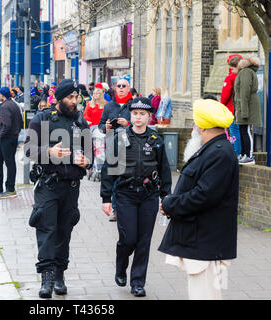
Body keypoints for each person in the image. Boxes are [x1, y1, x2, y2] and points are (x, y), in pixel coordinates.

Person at [158, 98, 238, 300]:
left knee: (204, 295)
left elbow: (204, 196)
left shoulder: (219, 153)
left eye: (195, 122)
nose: (194, 127)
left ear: (202, 127)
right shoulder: (213, 150)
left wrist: (170, 204)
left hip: (206, 240)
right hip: (200, 239)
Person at [24, 79, 93, 299]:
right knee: (47, 230)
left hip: (71, 187)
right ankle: (46, 277)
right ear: (59, 99)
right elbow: (28, 150)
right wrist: (49, 152)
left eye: (77, 98)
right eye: (70, 98)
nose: (75, 102)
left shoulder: (81, 122)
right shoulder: (42, 118)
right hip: (48, 185)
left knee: (64, 230)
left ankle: (60, 274)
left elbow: (90, 153)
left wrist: (86, 161)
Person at [101, 97, 172, 297]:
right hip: (125, 194)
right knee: (128, 238)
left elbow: (164, 170)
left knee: (144, 240)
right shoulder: (120, 137)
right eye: (135, 113)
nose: (138, 117)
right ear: (130, 115)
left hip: (149, 195)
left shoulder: (156, 140)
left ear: (149, 117)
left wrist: (166, 198)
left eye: (142, 114)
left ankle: (138, 282)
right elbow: (109, 169)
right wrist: (106, 197)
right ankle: (121, 265)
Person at [98, 78, 133, 222]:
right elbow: (100, 126)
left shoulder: (134, 105)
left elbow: (142, 123)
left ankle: (127, 207)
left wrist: (128, 124)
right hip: (112, 144)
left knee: (126, 176)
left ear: (129, 88)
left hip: (130, 145)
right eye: (118, 86)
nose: (121, 88)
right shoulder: (109, 106)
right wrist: (105, 127)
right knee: (113, 176)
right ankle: (115, 209)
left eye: (124, 86)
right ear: (115, 88)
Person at [0, 87, 24, 198]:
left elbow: (7, 124)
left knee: (5, 162)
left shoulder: (4, 106)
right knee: (6, 162)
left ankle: (9, 188)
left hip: (6, 137)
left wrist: (1, 132)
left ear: (1, 95)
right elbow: (19, 121)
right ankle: (1, 186)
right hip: (12, 137)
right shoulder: (15, 104)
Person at [233, 56, 261, 165]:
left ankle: (249, 156)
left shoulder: (245, 72)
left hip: (247, 106)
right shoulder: (246, 72)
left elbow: (244, 92)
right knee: (243, 130)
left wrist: (244, 111)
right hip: (244, 106)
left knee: (246, 131)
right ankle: (245, 155)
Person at [221, 55, 243, 158]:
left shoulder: (230, 78)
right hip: (241, 109)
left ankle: (236, 153)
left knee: (234, 131)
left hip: (231, 109)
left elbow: (225, 96)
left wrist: (221, 105)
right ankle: (241, 152)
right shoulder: (242, 76)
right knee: (241, 131)